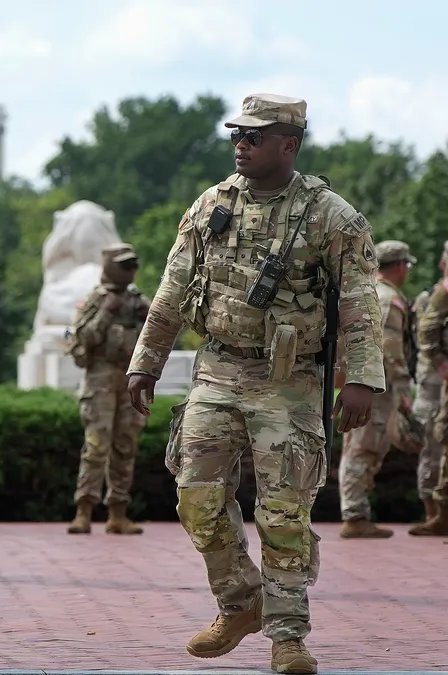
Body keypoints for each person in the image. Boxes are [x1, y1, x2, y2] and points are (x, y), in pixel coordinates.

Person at [126, 94, 384, 675]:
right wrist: (145, 361)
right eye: (236, 135)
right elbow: (172, 288)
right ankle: (241, 603)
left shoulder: (331, 216)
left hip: (289, 380)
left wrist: (363, 379)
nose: (240, 145)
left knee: (284, 510)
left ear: (289, 144)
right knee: (197, 496)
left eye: (255, 137)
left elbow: (363, 304)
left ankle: (288, 637)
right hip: (217, 369)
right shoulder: (211, 204)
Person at [66, 243, 149, 535]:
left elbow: (157, 338)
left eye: (132, 266)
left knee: (126, 446)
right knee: (96, 446)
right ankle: (83, 511)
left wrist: (147, 315)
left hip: (129, 380)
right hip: (100, 379)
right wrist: (105, 312)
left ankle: (118, 514)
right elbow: (82, 339)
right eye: (124, 265)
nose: (130, 271)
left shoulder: (138, 301)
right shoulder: (95, 299)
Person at [338, 240, 415, 538]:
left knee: (360, 444)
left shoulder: (370, 292)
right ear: (399, 266)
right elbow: (391, 349)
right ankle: (355, 515)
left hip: (364, 381)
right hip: (377, 384)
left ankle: (356, 512)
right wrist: (404, 387)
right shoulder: (387, 299)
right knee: (365, 445)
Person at [410, 241, 448, 536]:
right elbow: (424, 334)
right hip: (435, 381)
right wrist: (439, 362)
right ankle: (435, 511)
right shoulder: (436, 296)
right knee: (435, 439)